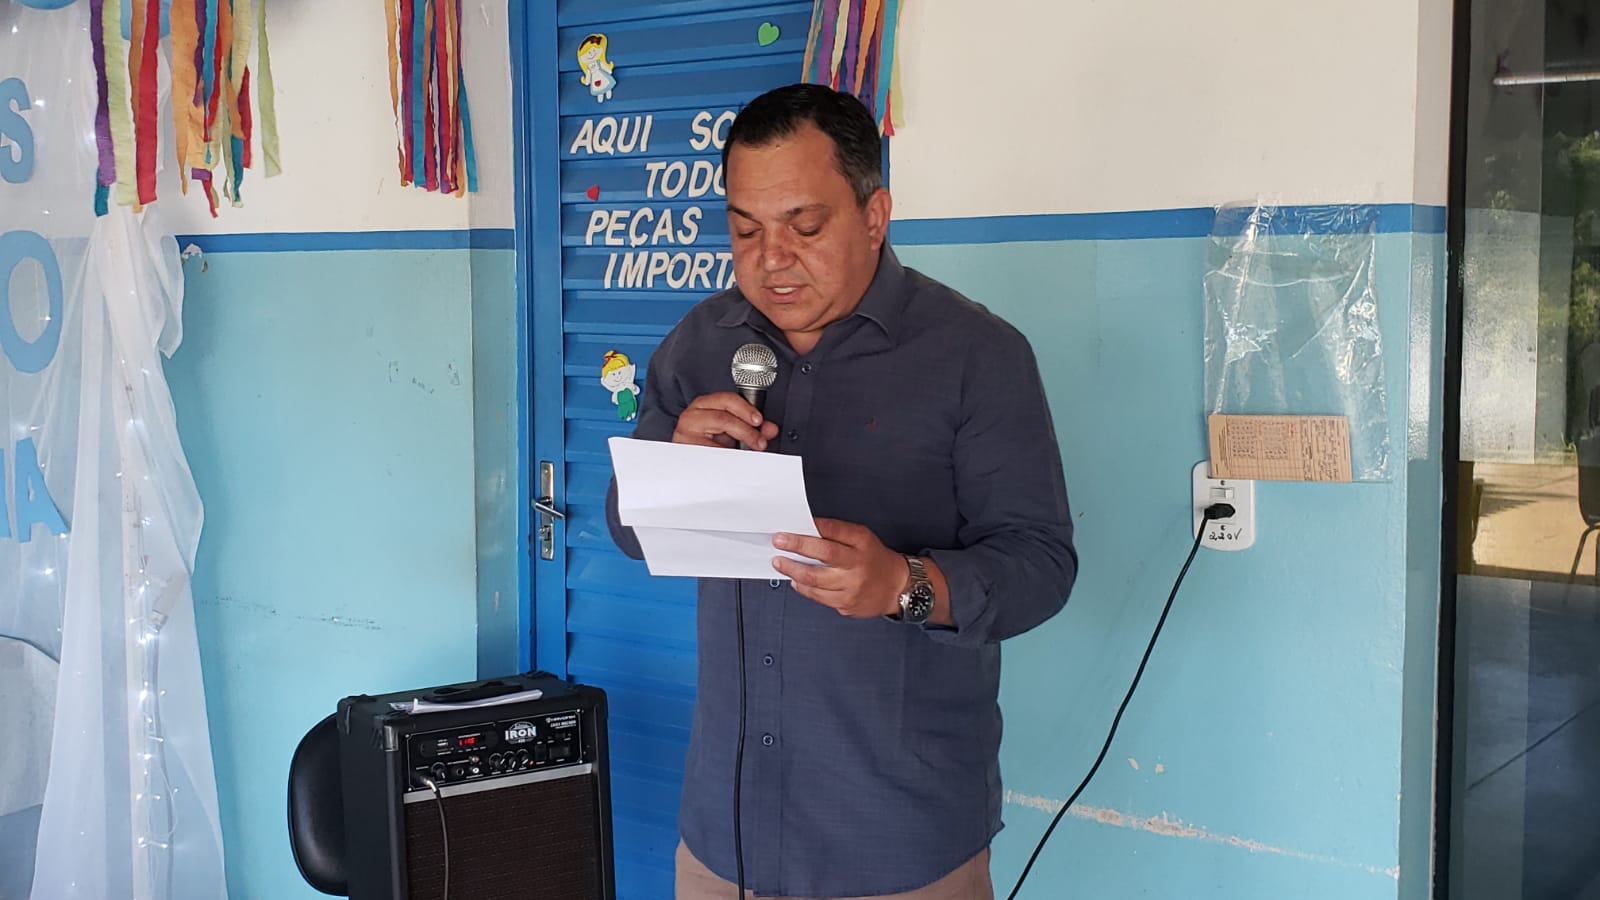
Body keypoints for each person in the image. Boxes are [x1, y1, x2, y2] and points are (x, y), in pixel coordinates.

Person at [606, 83, 1078, 899]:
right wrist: (675, 466)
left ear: (874, 214)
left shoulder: (976, 356)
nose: (771, 259)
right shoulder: (699, 343)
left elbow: (1041, 564)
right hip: (726, 836)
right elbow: (627, 526)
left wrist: (904, 585)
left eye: (805, 227)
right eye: (745, 229)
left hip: (896, 840)